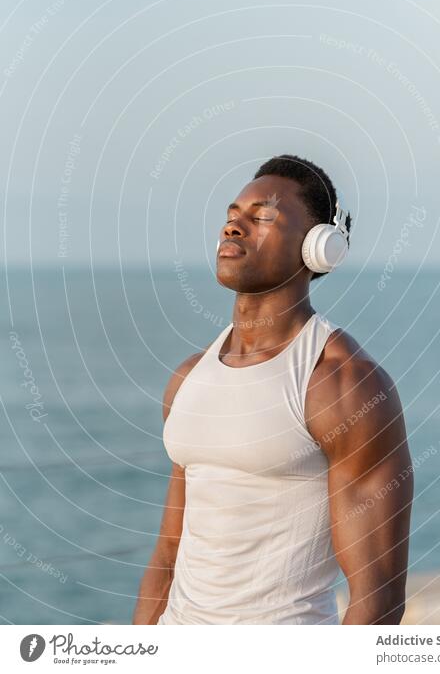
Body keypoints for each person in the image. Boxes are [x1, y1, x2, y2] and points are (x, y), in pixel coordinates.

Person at [133, 154, 413, 625]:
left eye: (262, 216)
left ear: (318, 247)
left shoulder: (343, 384)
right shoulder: (188, 378)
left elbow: (378, 596)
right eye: (231, 217)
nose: (234, 228)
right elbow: (167, 555)